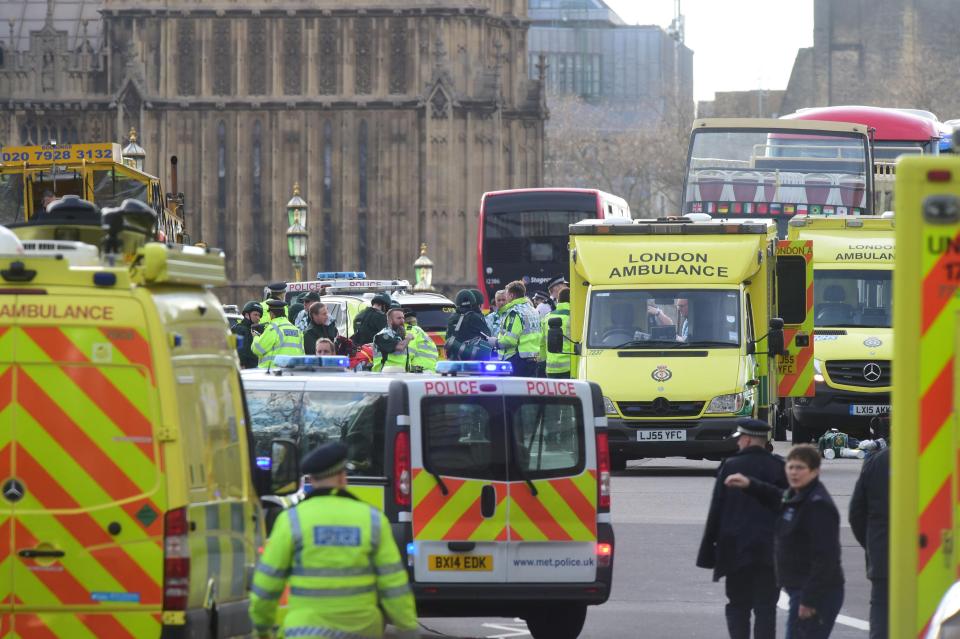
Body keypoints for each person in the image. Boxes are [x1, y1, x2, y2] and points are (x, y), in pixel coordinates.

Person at [249, 442, 419, 639]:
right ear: (342, 477)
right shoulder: (373, 520)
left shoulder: (291, 521)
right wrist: (408, 628)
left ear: (311, 478)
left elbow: (267, 584)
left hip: (304, 632)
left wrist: (261, 629)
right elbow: (393, 584)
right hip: (361, 631)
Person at [725, 445, 844, 639]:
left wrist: (809, 600)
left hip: (816, 593)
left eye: (800, 468)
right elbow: (776, 495)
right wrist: (749, 484)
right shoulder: (796, 495)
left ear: (815, 471)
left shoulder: (817, 505)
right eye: (790, 467)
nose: (794, 473)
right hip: (800, 589)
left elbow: (826, 558)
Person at [697, 419, 787, 639]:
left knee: (738, 605)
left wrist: (708, 554)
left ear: (746, 440)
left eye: (739, 440)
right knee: (766, 607)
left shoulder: (730, 466)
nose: (737, 444)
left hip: (735, 550)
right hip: (770, 551)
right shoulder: (780, 466)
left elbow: (716, 511)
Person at [848, 417, 890, 639]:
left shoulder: (875, 462)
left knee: (881, 612)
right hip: (930, 554)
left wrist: (872, 542)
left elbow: (856, 514)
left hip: (882, 553)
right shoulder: (938, 459)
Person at [489, 280, 541, 376]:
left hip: (517, 359)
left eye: (507, 295)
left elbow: (510, 340)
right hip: (533, 359)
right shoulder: (533, 310)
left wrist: (495, 342)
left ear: (512, 295)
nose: (506, 297)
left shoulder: (514, 312)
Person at [252, 299, 305, 368]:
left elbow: (258, 349)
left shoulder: (273, 328)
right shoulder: (296, 330)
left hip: (273, 372)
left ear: (272, 314)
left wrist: (256, 337)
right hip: (293, 372)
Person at [446, 289, 492, 361]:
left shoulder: (452, 317)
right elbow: (488, 336)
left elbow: (448, 337)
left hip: (453, 359)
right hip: (471, 359)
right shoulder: (475, 317)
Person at [539, 287, 572, 378]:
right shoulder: (574, 317)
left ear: (558, 300)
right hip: (570, 368)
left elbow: (541, 342)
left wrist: (543, 361)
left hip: (550, 368)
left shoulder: (547, 317)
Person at [372, 307, 416, 372]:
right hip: (383, 375)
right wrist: (408, 338)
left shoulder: (399, 335)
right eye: (399, 318)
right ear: (390, 320)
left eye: (403, 318)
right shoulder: (383, 335)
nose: (402, 321)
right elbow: (400, 347)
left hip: (399, 374)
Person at [231, 301, 263, 369]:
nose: (258, 318)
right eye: (255, 315)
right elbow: (240, 351)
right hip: (246, 368)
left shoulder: (252, 330)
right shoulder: (240, 329)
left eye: (259, 316)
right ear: (246, 315)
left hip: (254, 367)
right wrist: (241, 364)